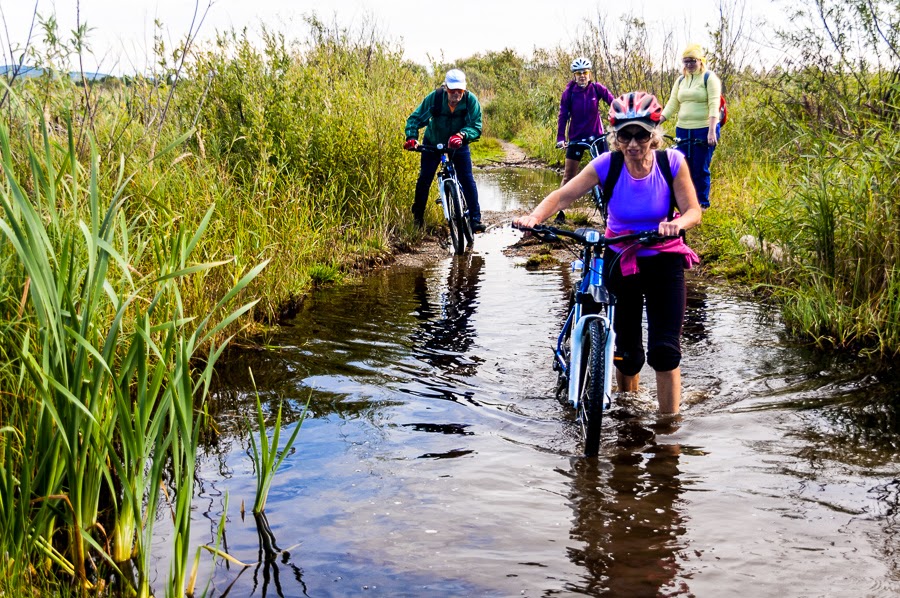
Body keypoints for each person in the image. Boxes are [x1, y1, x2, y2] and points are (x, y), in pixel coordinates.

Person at [513, 92, 702, 414]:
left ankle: (669, 430)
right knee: (627, 353)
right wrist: (535, 217)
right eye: (625, 135)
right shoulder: (607, 164)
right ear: (615, 136)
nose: (633, 143)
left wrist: (677, 224)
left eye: (640, 134)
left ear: (653, 133)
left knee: (664, 351)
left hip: (663, 259)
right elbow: (562, 196)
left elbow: (693, 211)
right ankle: (630, 413)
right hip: (619, 259)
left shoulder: (672, 163)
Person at [404, 68, 485, 232]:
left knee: (467, 179)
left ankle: (475, 219)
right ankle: (418, 218)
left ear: (464, 89)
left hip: (459, 144)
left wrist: (462, 135)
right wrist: (411, 138)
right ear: (446, 88)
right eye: (453, 90)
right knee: (424, 179)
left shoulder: (470, 101)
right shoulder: (435, 98)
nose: (456, 94)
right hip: (433, 142)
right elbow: (415, 118)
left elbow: (475, 126)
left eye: (460, 90)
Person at [660, 44, 722, 209]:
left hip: (704, 129)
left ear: (700, 61)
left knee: (700, 167)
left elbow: (714, 104)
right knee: (682, 167)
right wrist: (656, 122)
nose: (689, 64)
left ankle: (702, 204)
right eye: (685, 61)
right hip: (683, 129)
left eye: (692, 61)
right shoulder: (681, 80)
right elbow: (672, 104)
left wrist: (711, 131)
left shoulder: (709, 78)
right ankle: (685, 202)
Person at [556, 56, 615, 187]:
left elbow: (614, 103)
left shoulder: (596, 88)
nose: (582, 76)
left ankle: (608, 205)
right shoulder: (569, 93)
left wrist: (619, 122)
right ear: (574, 75)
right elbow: (563, 116)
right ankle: (560, 207)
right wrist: (560, 138)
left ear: (589, 74)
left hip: (597, 137)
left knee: (606, 173)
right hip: (576, 138)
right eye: (579, 73)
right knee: (568, 176)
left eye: (585, 72)